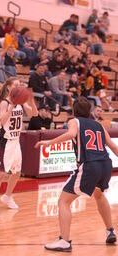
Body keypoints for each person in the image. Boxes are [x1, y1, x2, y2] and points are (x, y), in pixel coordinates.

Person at [35, 96, 117, 252]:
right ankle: (110, 231)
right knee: (99, 195)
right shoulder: (99, 125)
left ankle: (64, 241)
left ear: (73, 111)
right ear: (89, 112)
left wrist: (48, 142)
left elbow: (71, 133)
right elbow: (114, 147)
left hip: (90, 165)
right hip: (106, 165)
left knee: (63, 201)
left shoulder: (74, 122)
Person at [0, 77, 38, 216]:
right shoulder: (4, 103)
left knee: (17, 172)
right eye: (15, 85)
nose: (18, 87)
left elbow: (34, 114)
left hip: (16, 141)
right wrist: (11, 107)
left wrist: (32, 102)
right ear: (8, 87)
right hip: (4, 141)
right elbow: (2, 121)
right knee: (1, 173)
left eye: (19, 85)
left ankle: (7, 196)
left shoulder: (21, 102)